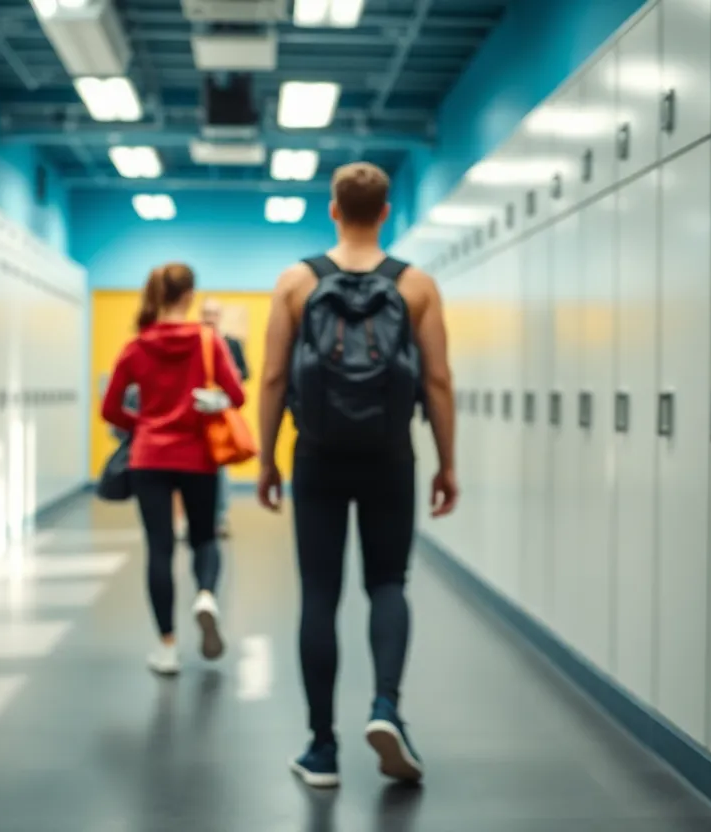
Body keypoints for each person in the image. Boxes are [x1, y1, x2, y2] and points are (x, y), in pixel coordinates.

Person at [256, 162, 458, 789]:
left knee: (320, 594)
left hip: (316, 454)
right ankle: (386, 708)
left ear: (334, 209)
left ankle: (321, 749)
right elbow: (438, 381)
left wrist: (264, 458)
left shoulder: (296, 281)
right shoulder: (416, 284)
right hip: (391, 455)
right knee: (388, 584)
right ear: (387, 211)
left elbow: (269, 378)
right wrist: (448, 462)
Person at [102, 263, 246, 676]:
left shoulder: (137, 346)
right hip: (198, 454)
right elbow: (236, 395)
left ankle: (166, 648)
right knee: (204, 537)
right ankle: (205, 594)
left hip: (149, 458)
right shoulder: (208, 341)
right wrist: (213, 403)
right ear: (189, 296)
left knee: (160, 548)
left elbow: (110, 408)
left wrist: (144, 425)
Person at [200, 297, 250, 538]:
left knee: (221, 467)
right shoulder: (194, 341)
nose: (210, 318)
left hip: (221, 413)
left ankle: (219, 518)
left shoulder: (231, 344)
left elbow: (244, 377)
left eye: (214, 314)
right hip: (197, 414)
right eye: (206, 313)